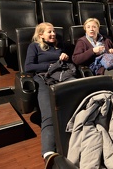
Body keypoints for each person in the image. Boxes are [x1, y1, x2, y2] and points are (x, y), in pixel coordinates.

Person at [25, 22, 74, 166]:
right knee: (49, 113)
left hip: (62, 75)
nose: (53, 34)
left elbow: (68, 62)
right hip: (43, 78)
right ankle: (48, 153)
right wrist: (51, 65)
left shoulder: (58, 46)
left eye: (53, 31)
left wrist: (64, 57)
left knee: (79, 104)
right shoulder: (34, 46)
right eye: (49, 32)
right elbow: (28, 67)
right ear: (40, 35)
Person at [72, 18, 113, 85]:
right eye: (88, 27)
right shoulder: (82, 42)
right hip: (100, 68)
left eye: (94, 27)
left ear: (98, 29)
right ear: (85, 29)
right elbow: (76, 59)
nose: (91, 29)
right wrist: (92, 51)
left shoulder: (106, 40)